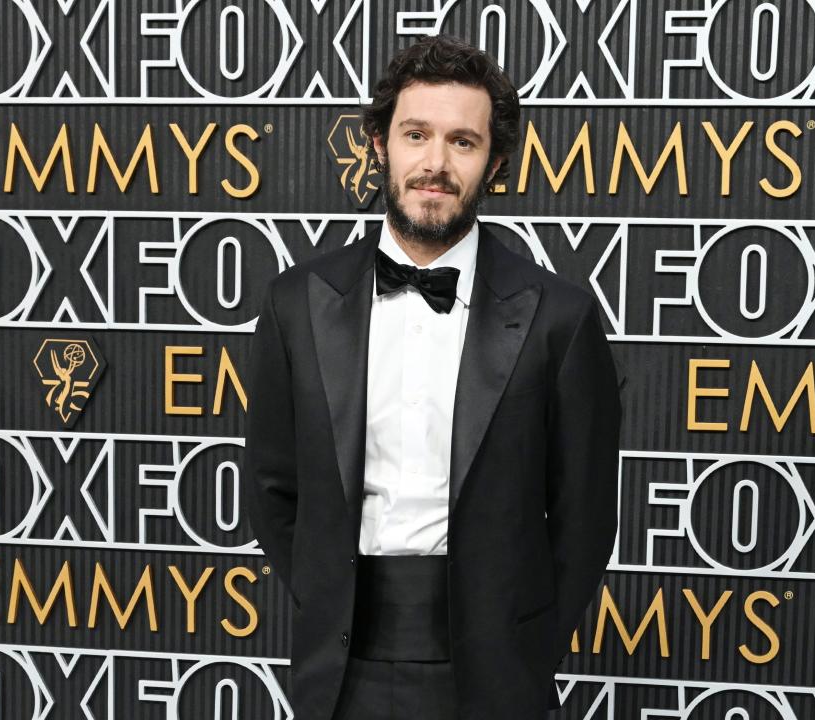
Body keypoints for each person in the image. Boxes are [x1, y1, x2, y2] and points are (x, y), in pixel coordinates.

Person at [243, 34, 621, 720]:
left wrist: (526, 649)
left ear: (495, 162)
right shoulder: (296, 303)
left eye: (463, 142)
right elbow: (274, 488)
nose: (435, 164)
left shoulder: (559, 318)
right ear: (380, 145)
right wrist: (331, 598)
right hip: (338, 671)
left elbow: (586, 518)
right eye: (416, 134)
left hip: (495, 675)